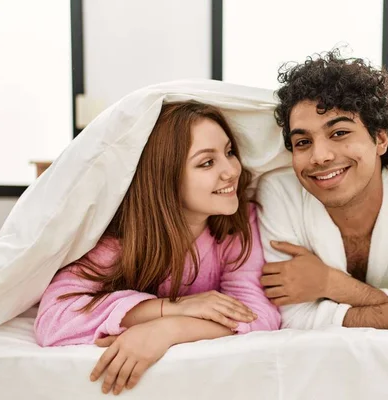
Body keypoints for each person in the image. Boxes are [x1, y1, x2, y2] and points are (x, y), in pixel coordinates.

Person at [34, 101, 281, 395]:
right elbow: (53, 319)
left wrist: (169, 329)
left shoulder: (237, 224)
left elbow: (259, 316)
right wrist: (169, 309)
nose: (231, 170)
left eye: (229, 152)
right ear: (166, 178)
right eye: (206, 163)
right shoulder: (119, 242)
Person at [257, 50, 388, 331]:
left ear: (380, 138)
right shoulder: (278, 193)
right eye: (302, 142)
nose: (319, 156)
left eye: (339, 133)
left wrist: (331, 284)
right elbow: (293, 318)